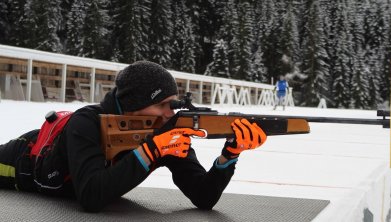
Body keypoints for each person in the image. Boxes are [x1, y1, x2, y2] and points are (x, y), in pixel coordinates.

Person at [0, 61, 267, 212]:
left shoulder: (163, 130)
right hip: (17, 164)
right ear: (133, 104)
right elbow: (91, 196)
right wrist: (151, 151)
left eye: (172, 104)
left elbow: (204, 197)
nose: (168, 113)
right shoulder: (86, 122)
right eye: (162, 104)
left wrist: (229, 155)